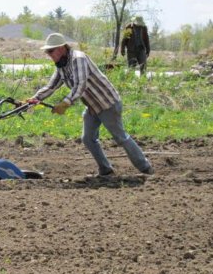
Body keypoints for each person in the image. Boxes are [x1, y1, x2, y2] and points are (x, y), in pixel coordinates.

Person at [27, 33, 154, 176]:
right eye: (47, 52)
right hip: (92, 106)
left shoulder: (78, 59)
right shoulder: (61, 65)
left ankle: (145, 168)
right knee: (87, 138)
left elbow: (81, 85)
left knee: (120, 137)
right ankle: (106, 170)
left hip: (107, 103)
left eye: (50, 51)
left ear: (61, 48)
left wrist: (65, 104)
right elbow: (51, 87)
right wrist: (33, 100)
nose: (48, 55)